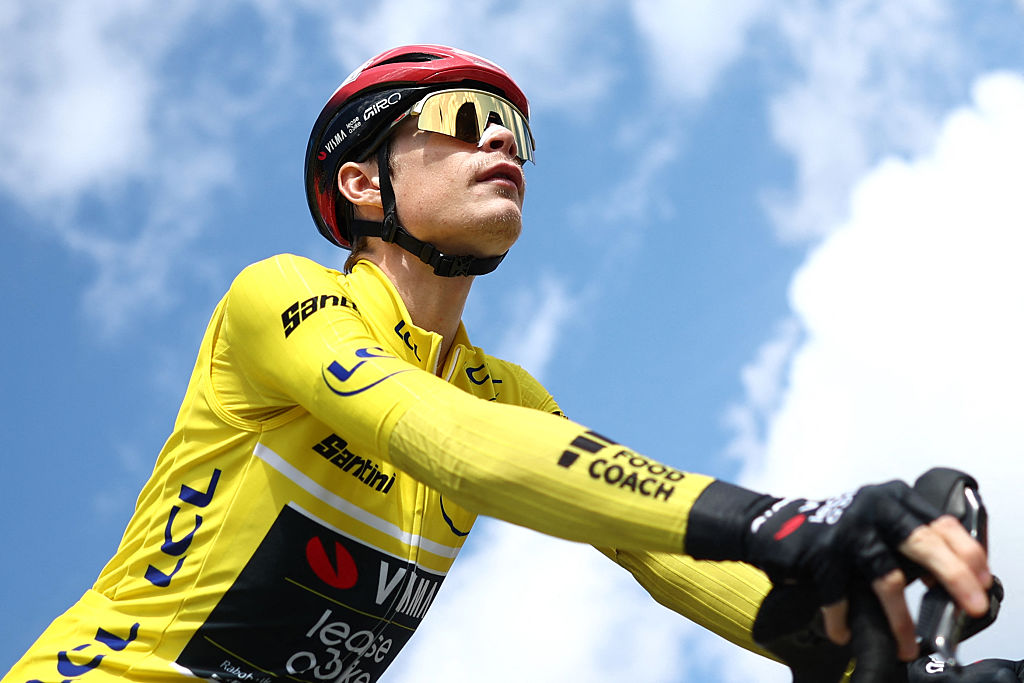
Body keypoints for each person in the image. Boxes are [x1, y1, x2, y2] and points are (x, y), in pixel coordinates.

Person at [4, 44, 992, 683]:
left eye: (514, 131)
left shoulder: (506, 390)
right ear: (362, 181)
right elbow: (447, 442)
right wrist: (785, 522)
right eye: (464, 122)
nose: (501, 146)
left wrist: (860, 651)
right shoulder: (280, 297)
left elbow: (649, 544)